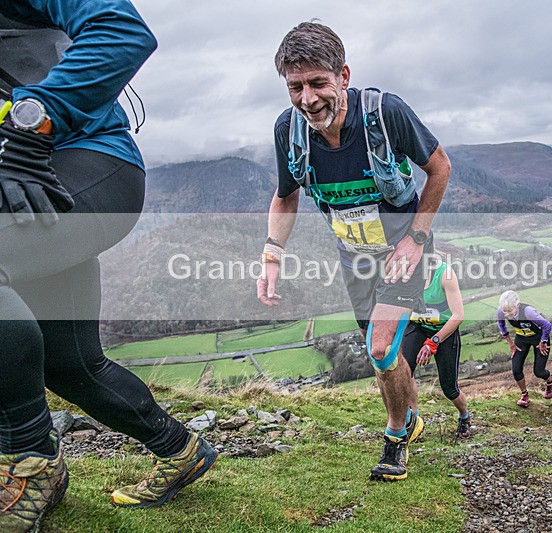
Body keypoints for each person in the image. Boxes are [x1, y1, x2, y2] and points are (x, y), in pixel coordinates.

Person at [0, 1, 218, 529]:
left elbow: (122, 30)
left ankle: (30, 463)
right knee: (72, 364)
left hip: (89, 164)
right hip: (22, 188)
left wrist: (35, 122)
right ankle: (179, 447)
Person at [258, 22, 450, 482]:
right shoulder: (290, 131)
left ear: (343, 75)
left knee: (381, 346)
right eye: (295, 87)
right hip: (354, 256)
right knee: (381, 354)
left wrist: (416, 238)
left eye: (318, 83)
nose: (308, 99)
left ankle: (395, 437)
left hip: (404, 250)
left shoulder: (386, 114)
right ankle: (413, 415)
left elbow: (439, 169)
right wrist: (271, 255)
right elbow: (286, 196)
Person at [401, 242, 470, 438]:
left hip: (444, 331)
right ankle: (413, 420)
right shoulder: (406, 274)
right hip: (418, 326)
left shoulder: (445, 275)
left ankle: (464, 415)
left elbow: (458, 315)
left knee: (449, 388)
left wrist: (434, 342)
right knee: (403, 373)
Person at [497, 290, 552, 406]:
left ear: (517, 305)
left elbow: (547, 325)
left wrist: (543, 341)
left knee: (538, 371)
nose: (507, 314)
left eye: (510, 311)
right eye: (505, 311)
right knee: (516, 369)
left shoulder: (528, 312)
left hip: (538, 337)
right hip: (521, 338)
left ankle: (550, 381)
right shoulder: (501, 311)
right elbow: (502, 326)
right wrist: (511, 344)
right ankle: (524, 395)